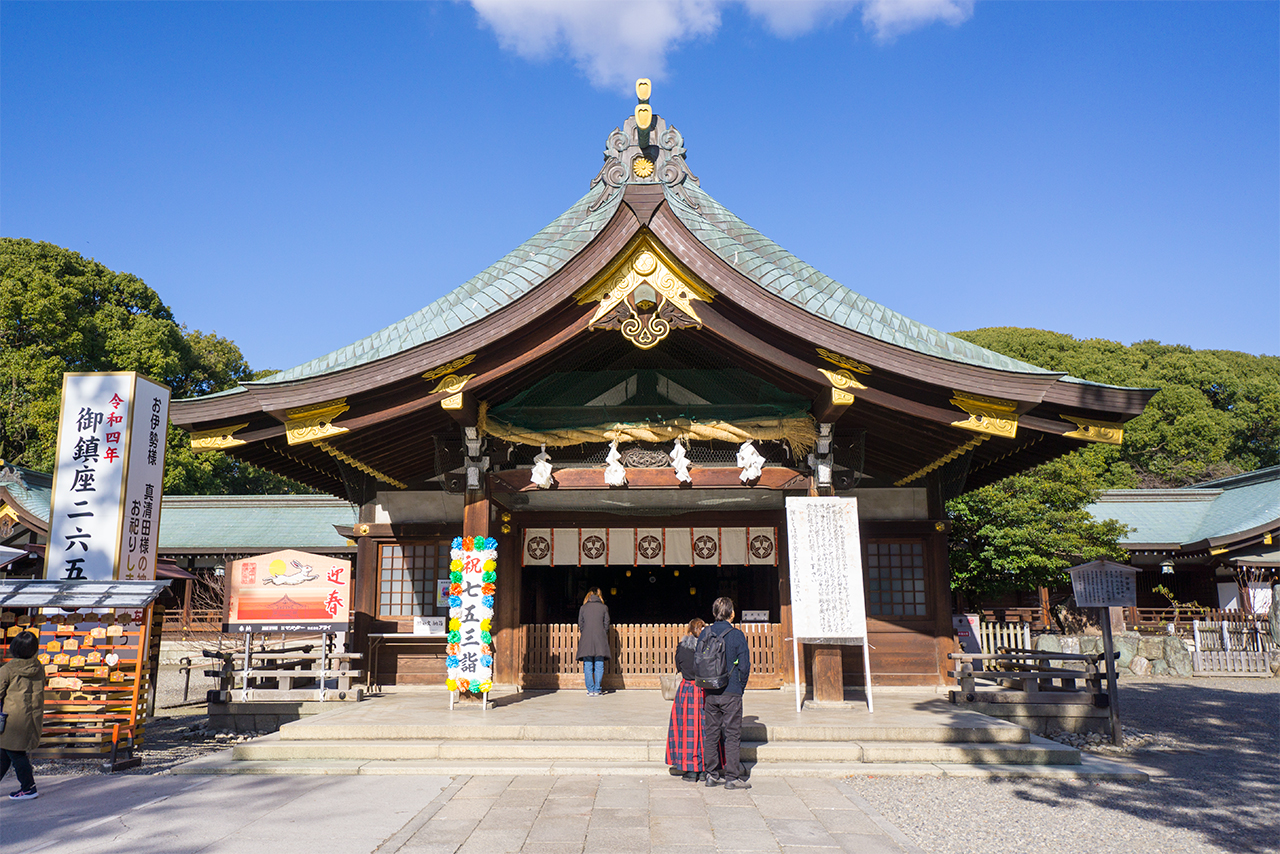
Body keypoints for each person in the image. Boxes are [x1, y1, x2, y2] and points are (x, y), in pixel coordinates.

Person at [700, 596, 751, 789]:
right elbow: (744, 666)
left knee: (711, 733)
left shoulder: (705, 633)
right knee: (732, 734)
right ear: (732, 613)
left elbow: (698, 661)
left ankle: (711, 774)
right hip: (731, 690)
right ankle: (731, 777)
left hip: (710, 691)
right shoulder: (736, 635)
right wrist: (740, 686)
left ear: (714, 613)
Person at [1, 630, 45, 801]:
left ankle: (28, 788)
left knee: (16, 753)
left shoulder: (8, 669)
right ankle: (28, 788)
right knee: (5, 752)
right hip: (32, 717)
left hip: (12, 719)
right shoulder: (39, 667)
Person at [666, 617, 708, 781]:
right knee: (704, 729)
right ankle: (704, 768)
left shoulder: (682, 647)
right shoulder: (707, 647)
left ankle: (690, 769)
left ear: (689, 630)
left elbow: (679, 666)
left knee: (686, 729)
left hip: (686, 690)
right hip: (703, 689)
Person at [576, 587, 611, 696]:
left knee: (588, 664)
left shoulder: (583, 608)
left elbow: (580, 624)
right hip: (600, 638)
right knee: (599, 664)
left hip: (586, 639)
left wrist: (585, 632)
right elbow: (606, 624)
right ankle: (597, 689)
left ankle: (590, 690)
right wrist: (602, 633)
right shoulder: (604, 608)